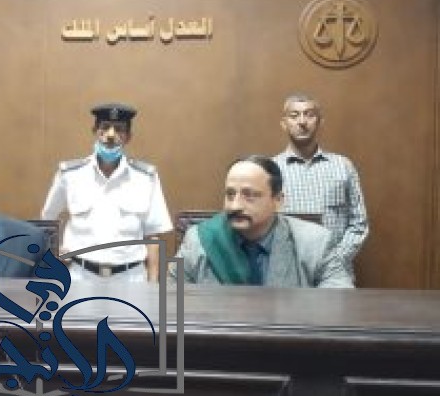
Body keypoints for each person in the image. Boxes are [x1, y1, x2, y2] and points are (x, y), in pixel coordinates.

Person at [173, 155, 353, 288]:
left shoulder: (316, 243)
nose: (235, 206)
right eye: (230, 194)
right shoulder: (199, 240)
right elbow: (171, 302)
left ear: (278, 201)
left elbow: (338, 305)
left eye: (249, 195)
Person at [41, 102, 173, 282]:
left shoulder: (145, 177)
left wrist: (152, 285)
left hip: (130, 277)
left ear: (128, 137)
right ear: (95, 131)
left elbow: (153, 235)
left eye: (119, 129)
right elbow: (48, 220)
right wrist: (56, 254)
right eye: (105, 127)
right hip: (80, 275)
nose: (111, 135)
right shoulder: (70, 174)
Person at [273, 93, 369, 277]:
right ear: (284, 123)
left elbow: (359, 224)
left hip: (335, 273)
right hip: (286, 273)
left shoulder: (343, 166)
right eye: (294, 115)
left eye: (309, 114)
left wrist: (334, 261)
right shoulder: (270, 170)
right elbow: (263, 225)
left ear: (320, 122)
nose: (302, 121)